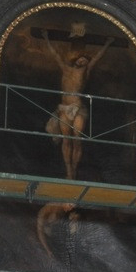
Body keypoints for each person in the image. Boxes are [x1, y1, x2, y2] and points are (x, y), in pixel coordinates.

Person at [42, 29, 114, 179]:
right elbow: (55, 54)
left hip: (78, 107)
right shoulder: (65, 69)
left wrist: (107, 43)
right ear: (76, 60)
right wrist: (46, 37)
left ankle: (75, 168)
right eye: (81, 60)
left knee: (77, 139)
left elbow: (97, 58)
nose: (82, 62)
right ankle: (69, 170)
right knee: (66, 139)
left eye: (85, 61)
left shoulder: (85, 72)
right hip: (64, 108)